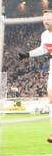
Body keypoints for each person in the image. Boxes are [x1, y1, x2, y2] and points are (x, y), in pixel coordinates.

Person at [18, 10, 52, 141]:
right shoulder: (45, 35)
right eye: (44, 19)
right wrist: (27, 54)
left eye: (48, 18)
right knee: (50, 98)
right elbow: (43, 49)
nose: (45, 21)